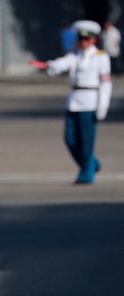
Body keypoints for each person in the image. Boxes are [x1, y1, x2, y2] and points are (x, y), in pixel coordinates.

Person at [30, 20, 112, 184]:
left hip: (90, 101)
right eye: (80, 39)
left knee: (87, 141)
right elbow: (62, 63)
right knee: (70, 139)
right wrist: (48, 65)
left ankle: (87, 174)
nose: (82, 42)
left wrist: (103, 105)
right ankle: (92, 164)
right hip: (74, 101)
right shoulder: (75, 55)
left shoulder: (101, 57)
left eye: (86, 39)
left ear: (93, 40)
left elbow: (105, 83)